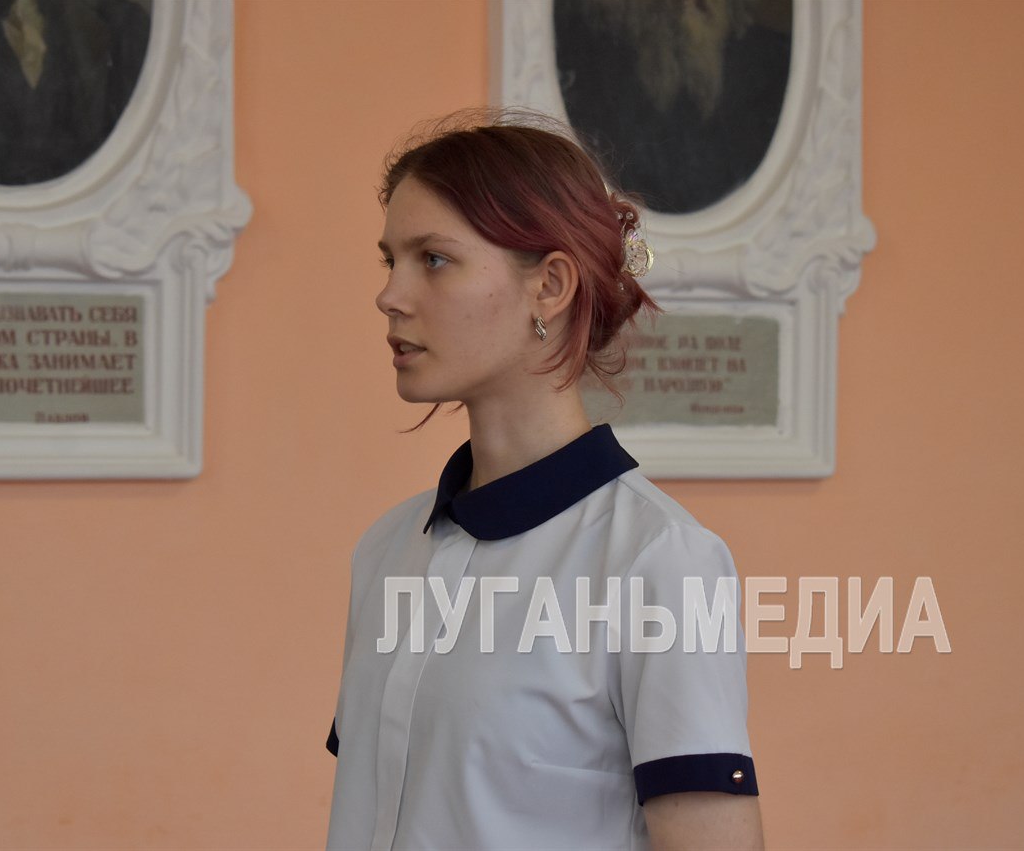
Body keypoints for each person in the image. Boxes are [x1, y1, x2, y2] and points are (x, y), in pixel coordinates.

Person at [326, 112, 763, 850]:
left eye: (433, 259)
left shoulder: (657, 561)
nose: (390, 295)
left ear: (550, 285)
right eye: (389, 261)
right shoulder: (386, 550)